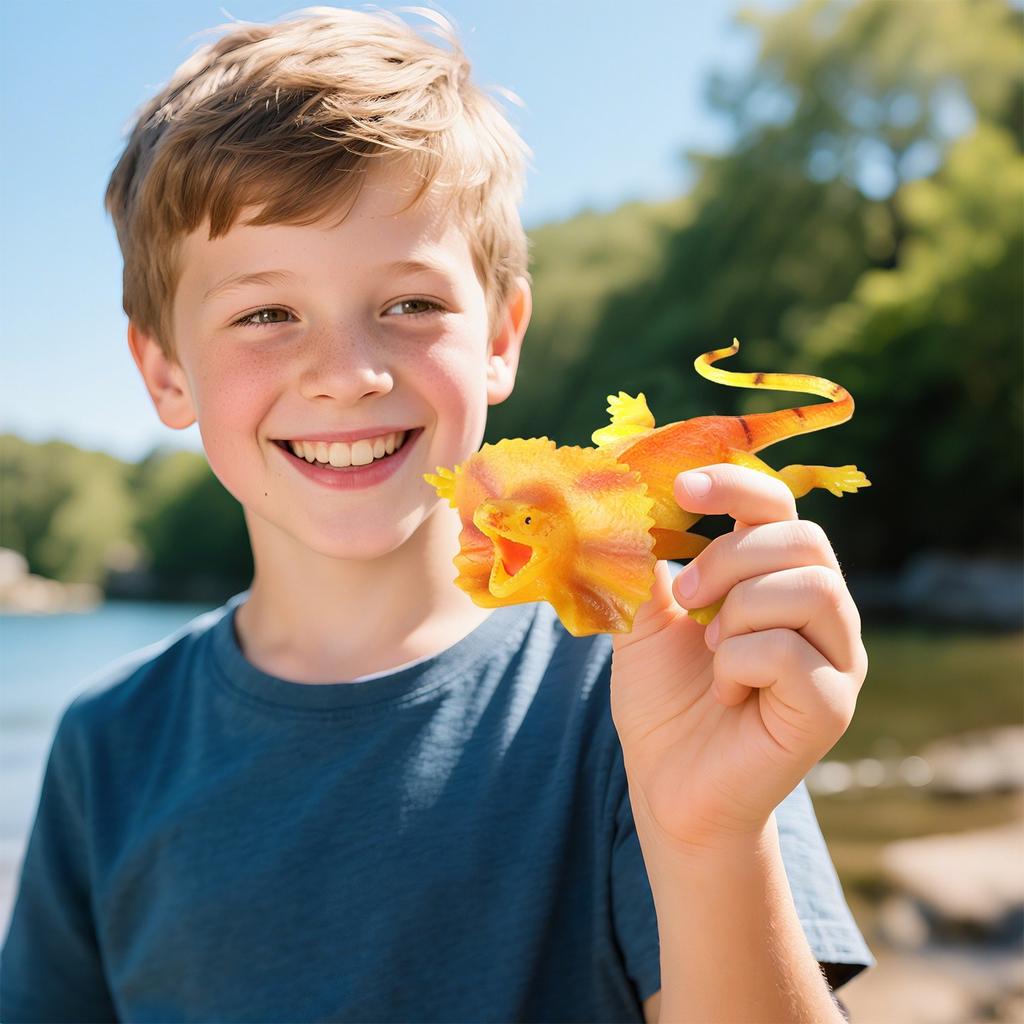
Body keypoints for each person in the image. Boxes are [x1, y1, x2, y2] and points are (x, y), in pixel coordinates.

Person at [0, 7, 873, 1021]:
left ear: (501, 336)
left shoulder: (648, 678)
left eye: (409, 304)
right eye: (266, 314)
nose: (349, 376)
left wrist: (710, 840)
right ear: (163, 369)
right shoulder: (107, 747)